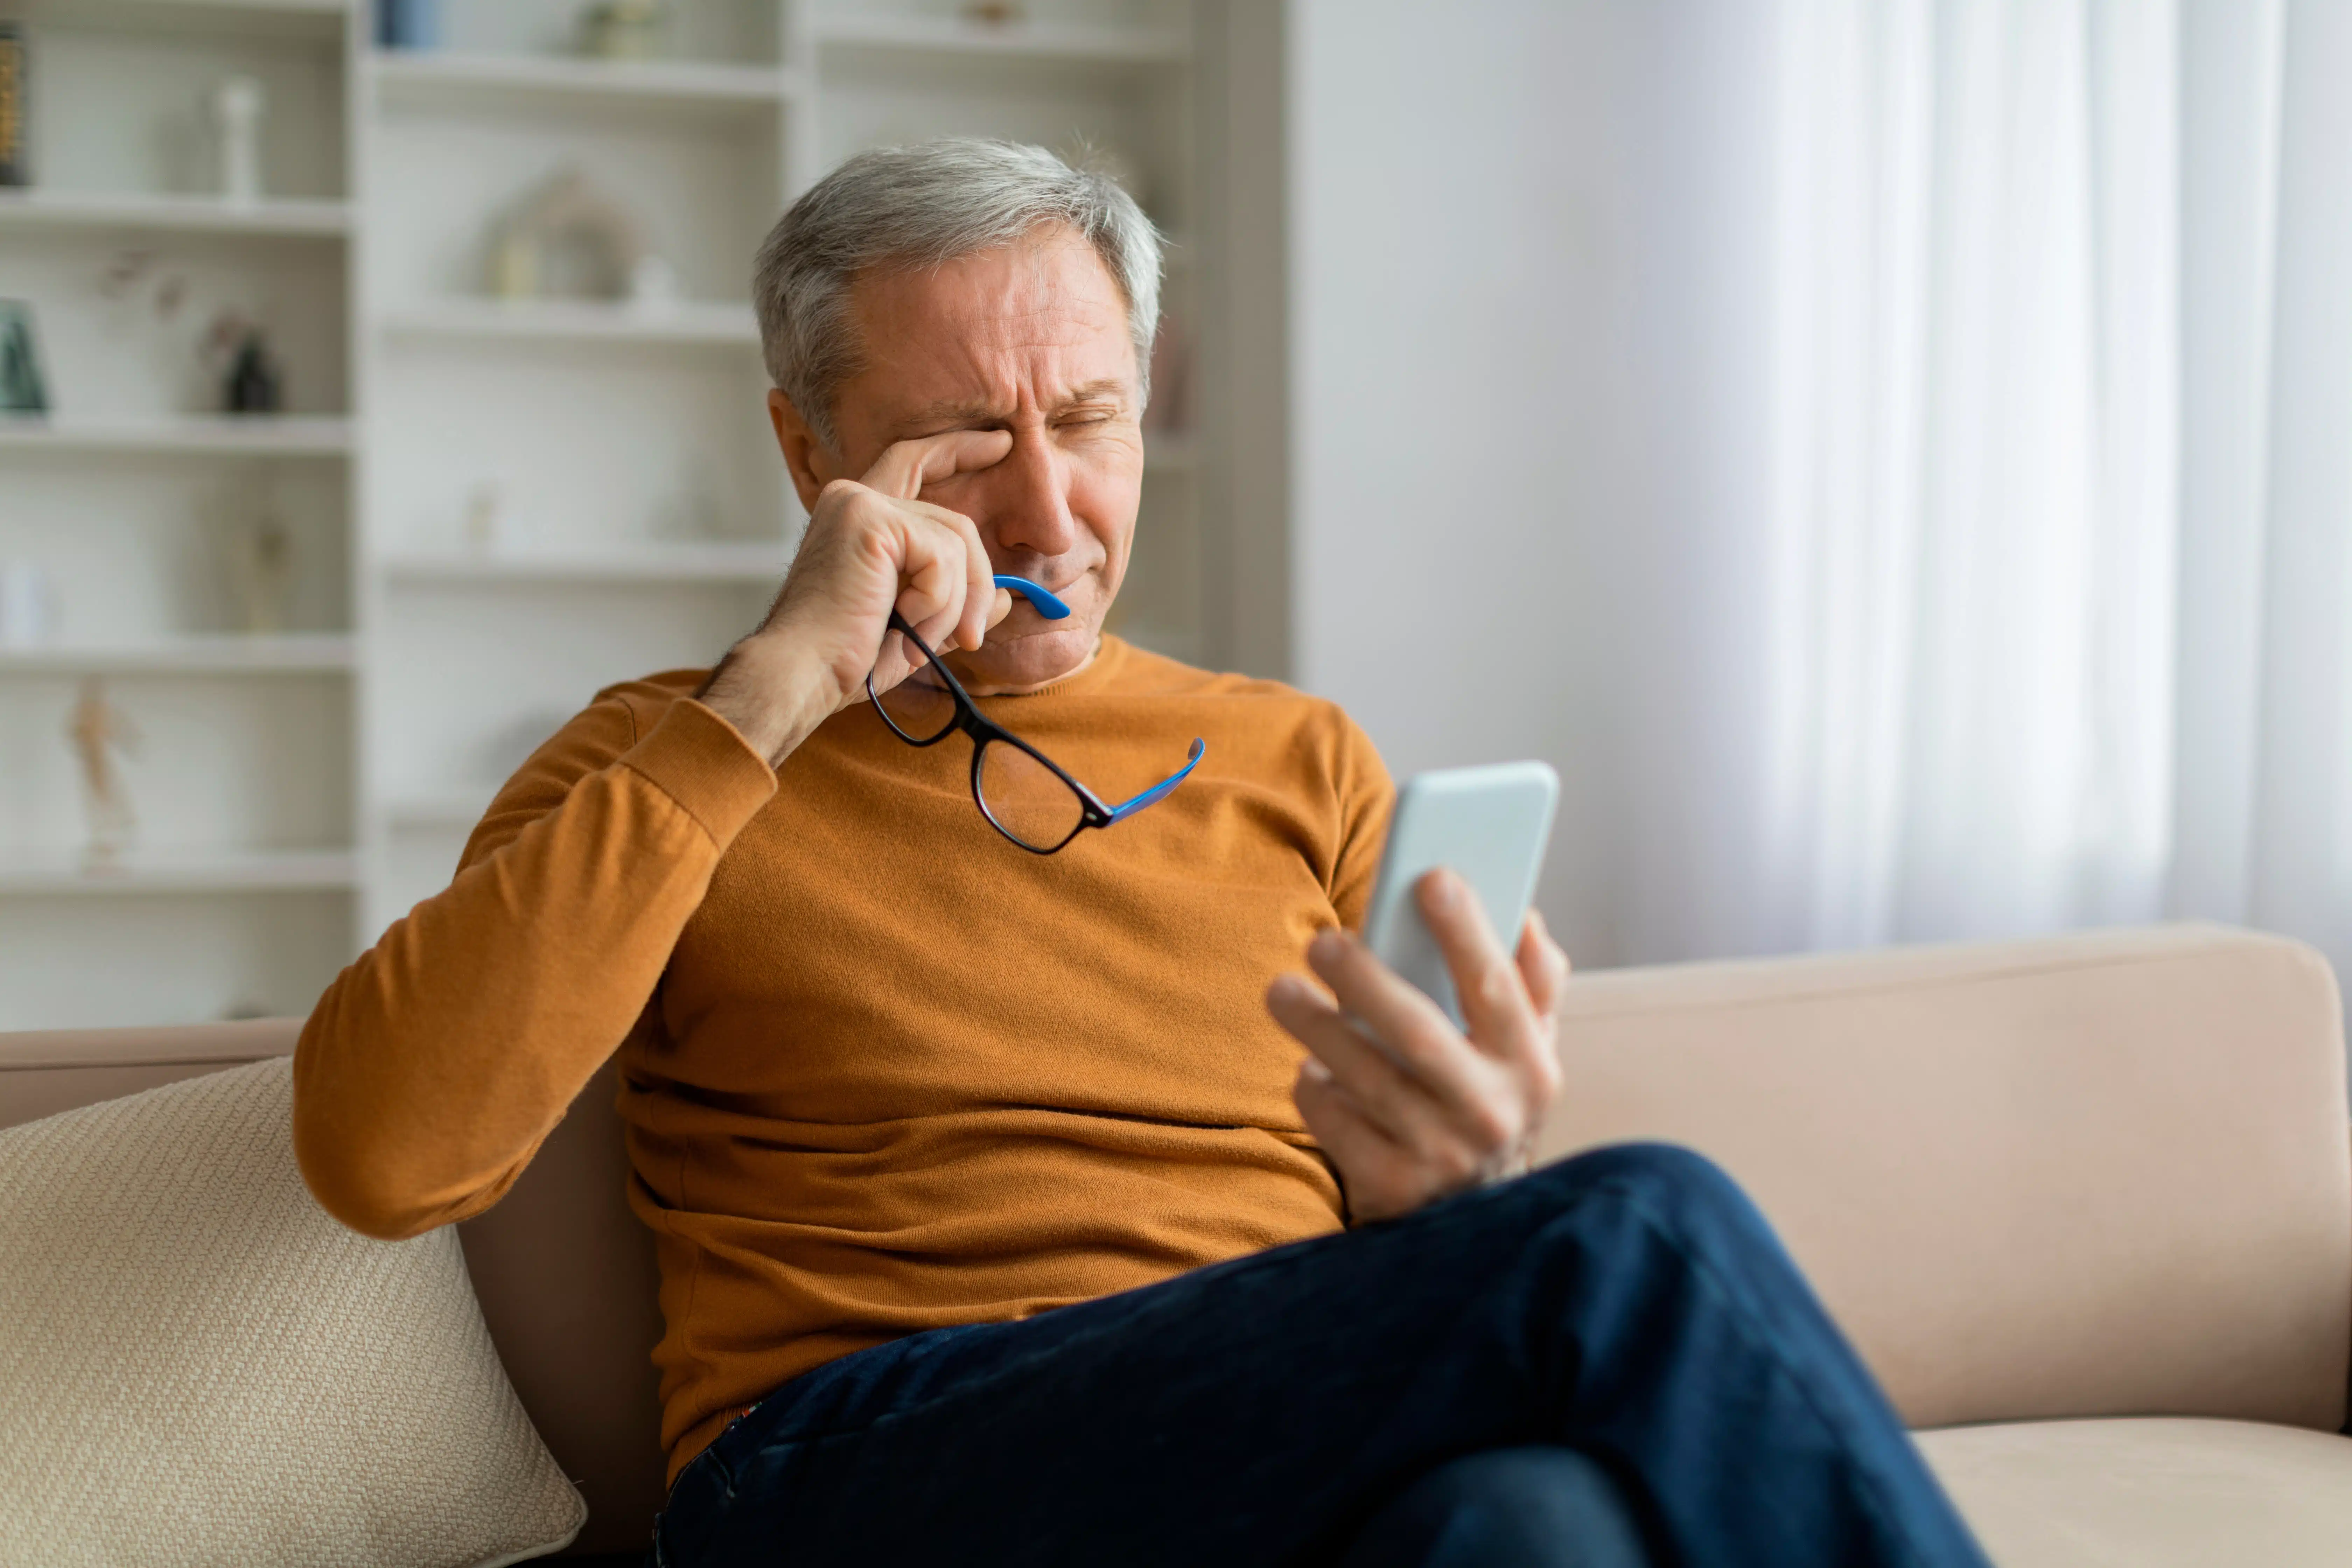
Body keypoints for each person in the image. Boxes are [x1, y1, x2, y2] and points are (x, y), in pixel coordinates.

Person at [292, 139, 1990, 1568]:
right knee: (1635, 1227)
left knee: (1537, 1522)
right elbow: (384, 1150)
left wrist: (1445, 1188)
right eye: (966, 439)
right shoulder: (664, 755)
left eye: (1090, 424)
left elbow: (1378, 1254)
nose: (1047, 514)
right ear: (811, 455)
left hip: (1255, 1434)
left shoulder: (1300, 757)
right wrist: (776, 692)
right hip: (845, 1469)